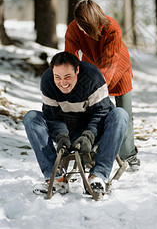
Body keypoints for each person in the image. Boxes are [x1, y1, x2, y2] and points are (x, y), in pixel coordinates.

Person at [23, 51, 128, 194]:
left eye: (67, 76)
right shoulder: (47, 81)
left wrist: (89, 136)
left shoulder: (93, 77)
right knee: (31, 117)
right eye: (57, 77)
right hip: (67, 129)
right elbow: (52, 116)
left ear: (77, 70)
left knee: (120, 114)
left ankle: (97, 176)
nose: (63, 83)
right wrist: (61, 136)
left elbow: (101, 113)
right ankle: (56, 178)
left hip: (95, 128)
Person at [64, 0, 140, 170]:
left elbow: (110, 63)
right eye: (79, 25)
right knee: (91, 110)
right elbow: (69, 58)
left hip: (118, 69)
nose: (82, 30)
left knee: (124, 113)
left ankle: (129, 155)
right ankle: (94, 146)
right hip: (91, 69)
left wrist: (95, 89)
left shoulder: (112, 28)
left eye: (85, 27)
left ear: (93, 20)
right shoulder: (74, 28)